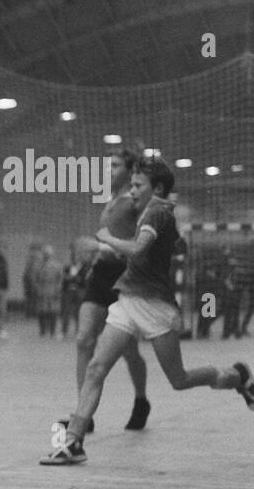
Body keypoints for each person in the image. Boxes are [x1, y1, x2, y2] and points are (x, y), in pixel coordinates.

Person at [42, 158, 253, 465]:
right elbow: (156, 249)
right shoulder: (146, 212)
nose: (132, 191)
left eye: (138, 185)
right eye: (131, 184)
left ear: (158, 189)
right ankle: (73, 442)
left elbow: (138, 249)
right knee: (96, 368)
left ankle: (238, 376)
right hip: (127, 300)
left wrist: (106, 240)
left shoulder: (157, 211)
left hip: (155, 307)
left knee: (179, 380)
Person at [73, 147, 151, 432]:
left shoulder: (134, 202)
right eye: (107, 165)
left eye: (115, 165)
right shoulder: (107, 201)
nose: (109, 170)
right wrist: (93, 255)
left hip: (125, 279)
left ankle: (142, 400)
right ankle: (84, 413)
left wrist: (101, 246)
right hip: (100, 276)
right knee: (83, 339)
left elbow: (137, 247)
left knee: (130, 351)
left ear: (129, 171)